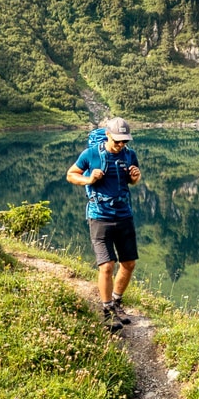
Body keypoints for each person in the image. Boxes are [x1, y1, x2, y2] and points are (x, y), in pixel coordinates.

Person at [67, 117, 142, 328]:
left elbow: (133, 181)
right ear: (108, 134)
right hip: (100, 216)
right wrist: (89, 179)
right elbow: (71, 175)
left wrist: (136, 176)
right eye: (117, 141)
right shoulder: (91, 154)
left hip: (124, 215)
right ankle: (107, 310)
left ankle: (117, 301)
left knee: (129, 264)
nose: (121, 145)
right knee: (107, 265)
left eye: (124, 141)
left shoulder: (129, 155)